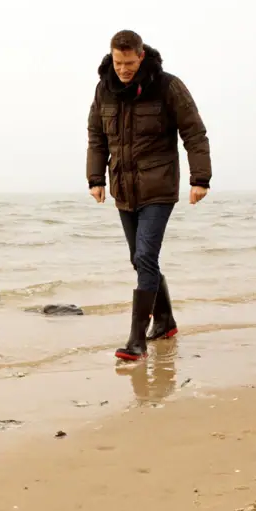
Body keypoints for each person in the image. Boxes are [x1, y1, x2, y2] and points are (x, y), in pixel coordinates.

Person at [87, 30, 212, 361]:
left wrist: (200, 178)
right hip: (123, 188)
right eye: (118, 62)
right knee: (139, 259)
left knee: (145, 257)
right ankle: (165, 321)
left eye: (129, 63)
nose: (123, 69)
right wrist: (95, 178)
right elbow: (97, 136)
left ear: (140, 56)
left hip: (159, 186)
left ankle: (136, 340)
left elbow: (194, 132)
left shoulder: (167, 86)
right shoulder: (104, 89)